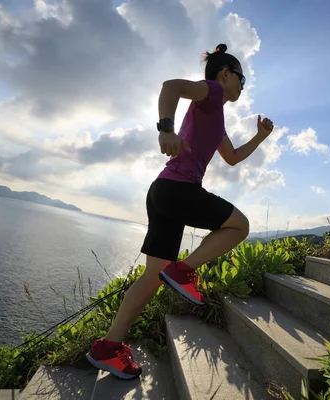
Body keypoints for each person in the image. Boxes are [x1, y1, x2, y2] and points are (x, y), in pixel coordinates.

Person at [85, 43, 274, 379]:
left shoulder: (215, 115)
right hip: (179, 190)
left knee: (151, 277)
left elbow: (231, 157)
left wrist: (259, 137)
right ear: (225, 73)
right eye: (241, 80)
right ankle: (184, 271)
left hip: (162, 191)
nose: (242, 87)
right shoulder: (213, 92)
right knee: (239, 226)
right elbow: (170, 87)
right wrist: (165, 129)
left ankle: (109, 348)